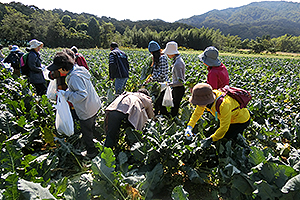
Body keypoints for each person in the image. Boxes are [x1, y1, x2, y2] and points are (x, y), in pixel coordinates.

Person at [47, 51, 102, 159]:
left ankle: (91, 151)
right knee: (91, 126)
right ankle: (98, 141)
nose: (58, 71)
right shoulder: (79, 69)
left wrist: (66, 94)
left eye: (58, 69)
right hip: (94, 104)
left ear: (63, 68)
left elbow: (82, 95)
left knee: (86, 131)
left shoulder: (74, 77)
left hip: (86, 108)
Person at [185, 83, 250, 144]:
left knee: (227, 140)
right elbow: (197, 113)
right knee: (219, 136)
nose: (197, 104)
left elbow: (224, 127)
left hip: (240, 120)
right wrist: (189, 126)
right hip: (227, 119)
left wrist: (211, 139)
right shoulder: (207, 98)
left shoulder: (224, 105)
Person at [146, 40, 169, 116]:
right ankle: (163, 116)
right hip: (157, 84)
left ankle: (155, 116)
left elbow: (163, 73)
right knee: (160, 103)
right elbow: (155, 72)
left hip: (163, 84)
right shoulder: (157, 58)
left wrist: (152, 79)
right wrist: (150, 78)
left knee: (158, 102)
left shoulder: (162, 58)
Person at [162, 41, 185, 117]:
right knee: (174, 106)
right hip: (176, 88)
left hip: (178, 88)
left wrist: (169, 84)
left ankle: (173, 120)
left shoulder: (178, 64)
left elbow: (180, 82)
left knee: (175, 108)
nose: (167, 54)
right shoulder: (177, 60)